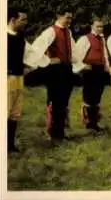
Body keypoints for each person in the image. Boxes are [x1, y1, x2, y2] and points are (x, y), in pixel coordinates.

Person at [31, 9, 77, 144]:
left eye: (71, 18)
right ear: (58, 16)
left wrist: (77, 65)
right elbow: (36, 48)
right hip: (55, 70)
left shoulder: (68, 32)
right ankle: (53, 133)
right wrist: (48, 61)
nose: (69, 20)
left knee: (64, 102)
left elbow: (73, 51)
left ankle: (60, 132)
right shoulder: (51, 31)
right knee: (56, 101)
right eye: (67, 17)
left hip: (66, 69)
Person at [7, 8, 44, 152]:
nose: (25, 22)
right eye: (23, 19)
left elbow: (32, 55)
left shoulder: (21, 37)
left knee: (15, 112)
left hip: (18, 78)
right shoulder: (2, 36)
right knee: (4, 112)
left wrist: (30, 68)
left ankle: (10, 145)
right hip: (6, 79)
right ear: (12, 20)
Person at [73, 16, 110, 131]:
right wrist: (83, 66)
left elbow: (105, 54)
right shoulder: (85, 39)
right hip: (89, 70)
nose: (100, 28)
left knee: (98, 95)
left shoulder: (102, 39)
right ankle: (88, 122)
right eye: (97, 26)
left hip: (99, 69)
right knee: (89, 95)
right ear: (92, 26)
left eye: (101, 26)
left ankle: (95, 121)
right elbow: (77, 55)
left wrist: (107, 67)